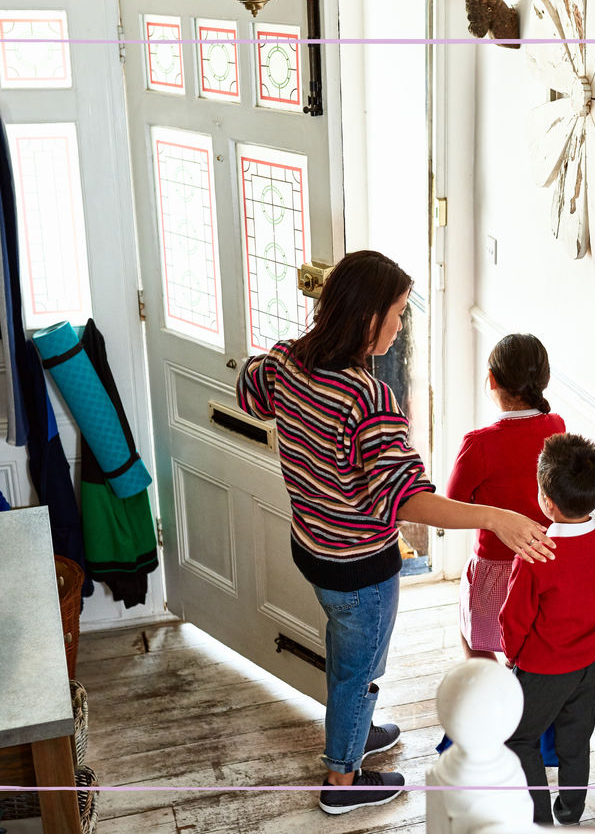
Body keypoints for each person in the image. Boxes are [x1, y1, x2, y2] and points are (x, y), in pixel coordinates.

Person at [236, 250, 557, 815]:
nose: (402, 324)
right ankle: (342, 782)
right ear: (368, 321)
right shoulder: (367, 400)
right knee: (359, 672)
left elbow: (249, 389)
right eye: (399, 312)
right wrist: (493, 517)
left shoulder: (285, 362)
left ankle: (353, 732)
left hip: (312, 547)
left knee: (345, 652)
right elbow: (408, 499)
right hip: (359, 566)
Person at [500, 433, 595, 826]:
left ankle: (538, 818)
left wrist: (512, 656)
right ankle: (570, 813)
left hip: (545, 669)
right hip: (593, 663)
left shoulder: (536, 555)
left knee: (519, 738)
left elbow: (513, 619)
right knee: (575, 740)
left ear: (545, 501)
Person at [447, 334, 565, 661]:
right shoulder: (556, 425)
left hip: (495, 567)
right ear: (544, 380)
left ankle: (490, 703)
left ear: (492, 379)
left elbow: (452, 502)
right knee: (521, 644)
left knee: (478, 643)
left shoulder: (479, 444)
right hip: (542, 564)